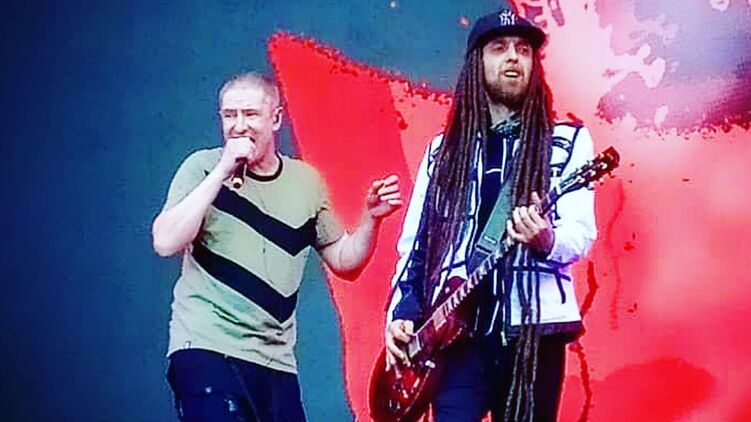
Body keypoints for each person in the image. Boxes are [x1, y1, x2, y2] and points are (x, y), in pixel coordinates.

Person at [384, 5, 597, 422]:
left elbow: (581, 233)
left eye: (523, 49)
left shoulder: (568, 142)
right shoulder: (444, 152)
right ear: (476, 63)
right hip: (454, 338)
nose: (513, 57)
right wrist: (403, 313)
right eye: (499, 48)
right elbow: (417, 247)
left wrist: (546, 239)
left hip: (533, 336)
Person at [152, 72, 402, 421]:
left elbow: (345, 261)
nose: (239, 126)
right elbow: (165, 242)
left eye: (250, 114)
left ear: (276, 119)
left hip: (276, 362)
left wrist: (371, 219)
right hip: (207, 347)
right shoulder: (202, 168)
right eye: (229, 115)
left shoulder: (305, 182)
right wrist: (223, 170)